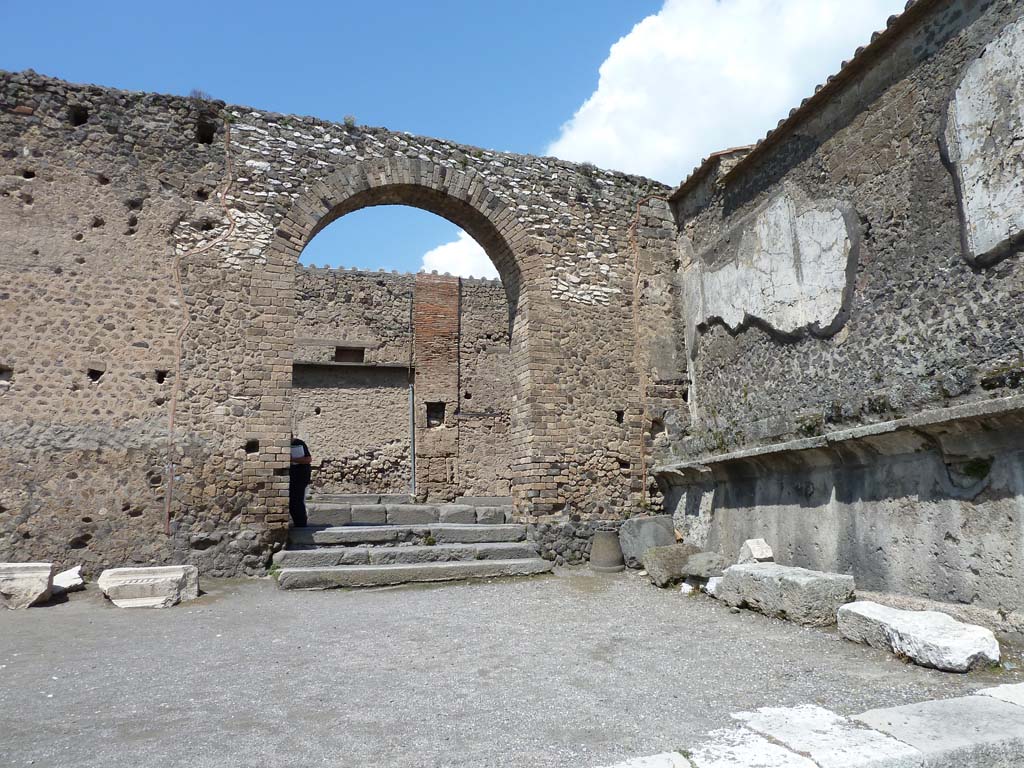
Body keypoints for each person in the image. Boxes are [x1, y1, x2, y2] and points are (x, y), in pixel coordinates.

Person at [289, 434, 312, 527]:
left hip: (300, 476)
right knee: (292, 500)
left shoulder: (299, 443)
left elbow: (308, 459)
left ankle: (301, 524)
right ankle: (297, 523)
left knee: (297, 500)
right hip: (291, 476)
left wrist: (293, 459)